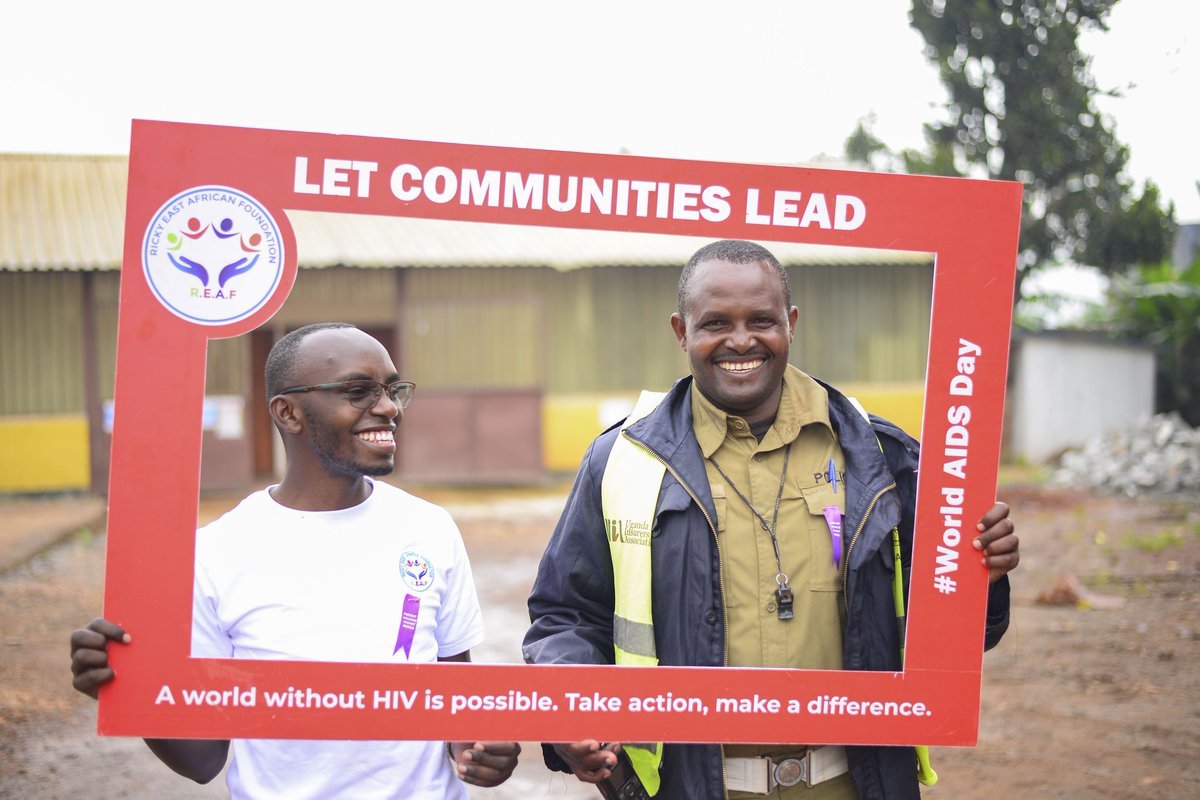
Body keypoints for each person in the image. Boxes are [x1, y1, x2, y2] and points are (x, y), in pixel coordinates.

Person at [523, 240, 1019, 800]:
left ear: (792, 323)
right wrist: (575, 706)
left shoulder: (880, 455)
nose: (741, 340)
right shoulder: (622, 461)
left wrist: (987, 575)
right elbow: (564, 615)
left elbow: (962, 635)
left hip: (855, 783)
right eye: (715, 323)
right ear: (681, 331)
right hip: (690, 787)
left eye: (762, 319)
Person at [71, 322, 520, 799]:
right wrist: (129, 689)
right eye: (358, 391)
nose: (387, 407)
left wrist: (483, 752)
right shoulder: (216, 555)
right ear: (288, 412)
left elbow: (457, 712)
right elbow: (202, 759)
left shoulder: (429, 529)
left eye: (392, 389)